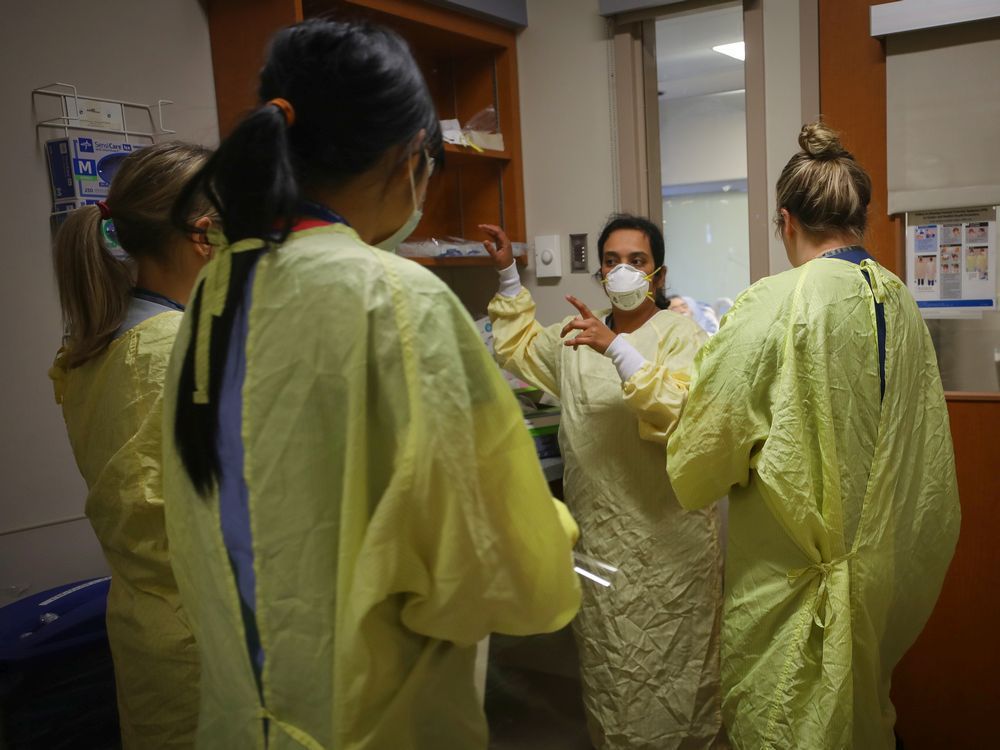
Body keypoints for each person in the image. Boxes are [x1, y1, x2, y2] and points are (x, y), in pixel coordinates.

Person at [162, 19, 580, 749]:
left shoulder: (216, 288)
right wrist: (552, 530)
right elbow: (500, 574)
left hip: (242, 718)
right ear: (411, 153)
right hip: (371, 720)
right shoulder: (393, 297)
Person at [666, 121, 960, 749]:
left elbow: (699, 459)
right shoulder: (901, 300)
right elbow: (925, 463)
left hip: (789, 584)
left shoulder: (774, 302)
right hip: (881, 575)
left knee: (789, 719)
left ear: (785, 219)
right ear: (862, 218)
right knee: (859, 712)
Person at [483, 214, 724, 749]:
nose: (622, 271)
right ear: (599, 274)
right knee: (613, 670)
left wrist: (616, 347)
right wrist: (507, 276)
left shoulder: (683, 337)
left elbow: (681, 411)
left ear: (656, 276)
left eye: (635, 261)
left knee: (681, 675)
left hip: (672, 550)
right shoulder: (575, 338)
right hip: (603, 543)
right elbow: (519, 345)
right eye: (612, 260)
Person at [48, 142, 214, 748]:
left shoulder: (99, 340)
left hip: (154, 630)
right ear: (206, 235)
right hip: (206, 637)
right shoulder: (176, 346)